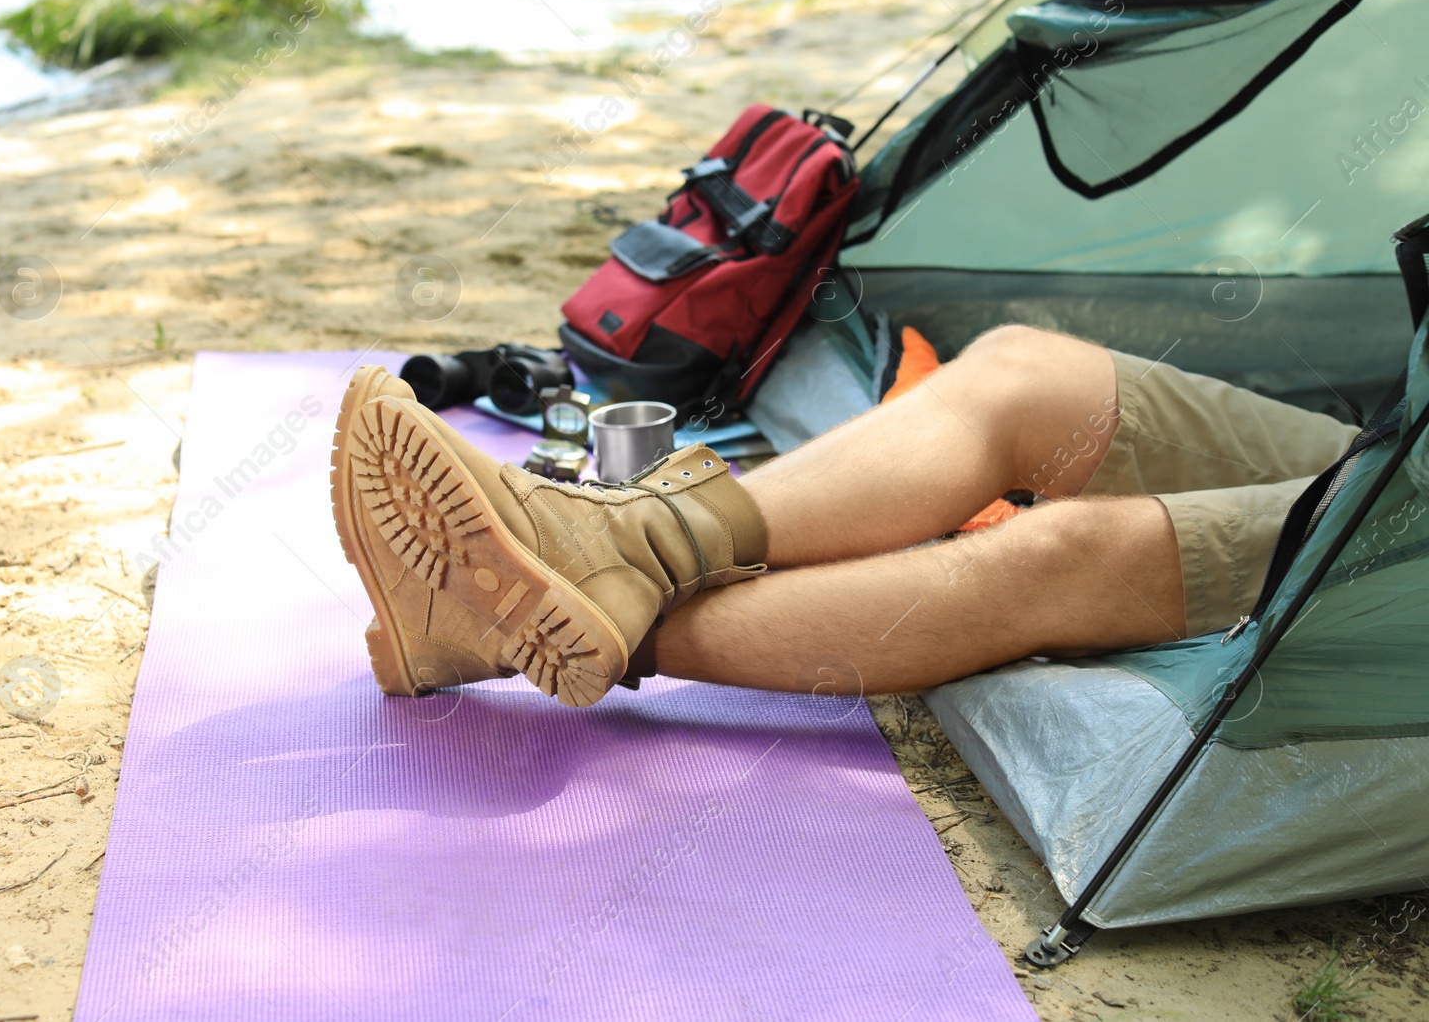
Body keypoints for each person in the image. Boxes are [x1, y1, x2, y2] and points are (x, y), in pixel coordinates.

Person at [329, 325, 1358, 707]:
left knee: (1062, 548)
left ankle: (557, 611)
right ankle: (620, 539)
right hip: (1399, 442)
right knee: (1020, 373)